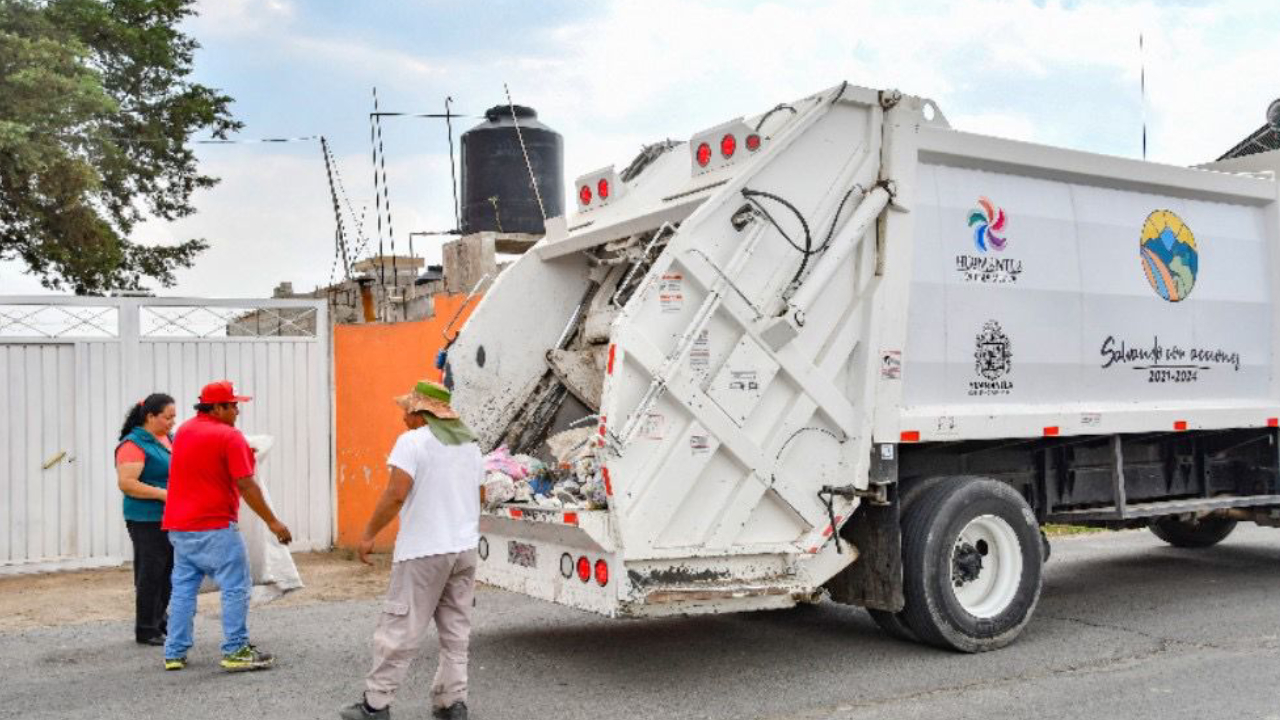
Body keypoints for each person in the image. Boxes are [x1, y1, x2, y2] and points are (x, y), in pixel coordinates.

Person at [340, 380, 483, 720]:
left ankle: (375, 705)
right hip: (463, 549)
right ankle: (452, 702)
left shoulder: (412, 442)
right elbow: (480, 497)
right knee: (455, 630)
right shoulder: (470, 445)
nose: (403, 418)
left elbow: (395, 494)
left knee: (400, 628)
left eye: (407, 411)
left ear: (422, 413)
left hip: (424, 551)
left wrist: (369, 533)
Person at [161, 380, 292, 672]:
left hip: (180, 526)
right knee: (235, 586)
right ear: (217, 407)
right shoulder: (229, 436)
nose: (237, 411)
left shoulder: (184, 431)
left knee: (183, 588)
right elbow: (246, 484)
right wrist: (273, 522)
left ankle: (174, 652)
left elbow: (205, 462)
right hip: (215, 525)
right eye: (233, 406)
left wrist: (244, 451)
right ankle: (235, 649)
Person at [115, 393, 178, 646]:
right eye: (167, 417)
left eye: (174, 417)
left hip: (171, 515)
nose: (172, 422)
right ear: (150, 416)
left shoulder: (166, 438)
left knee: (168, 572)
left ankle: (160, 621)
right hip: (146, 518)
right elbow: (127, 483)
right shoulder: (133, 444)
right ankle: (146, 628)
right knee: (150, 573)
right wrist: (164, 494)